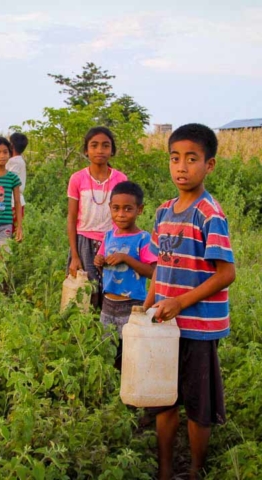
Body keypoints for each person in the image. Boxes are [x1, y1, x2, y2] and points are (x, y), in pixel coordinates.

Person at [144, 124, 236, 480]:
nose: (182, 167)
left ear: (209, 165)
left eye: (192, 159)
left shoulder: (208, 213)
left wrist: (180, 303)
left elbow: (226, 273)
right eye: (175, 158)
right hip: (164, 327)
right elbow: (159, 266)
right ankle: (166, 471)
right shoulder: (163, 212)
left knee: (198, 408)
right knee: (164, 400)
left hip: (197, 329)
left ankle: (196, 471)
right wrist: (148, 303)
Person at [93, 181, 157, 368]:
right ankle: (111, 388)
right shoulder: (109, 236)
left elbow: (153, 272)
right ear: (110, 208)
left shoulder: (143, 239)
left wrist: (126, 258)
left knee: (130, 351)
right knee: (107, 349)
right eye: (116, 208)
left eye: (128, 209)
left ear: (140, 210)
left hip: (132, 305)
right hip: (108, 304)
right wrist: (100, 262)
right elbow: (105, 266)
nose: (121, 214)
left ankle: (128, 388)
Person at [67, 126, 128, 309]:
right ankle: (84, 335)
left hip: (112, 243)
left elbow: (126, 216)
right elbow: (71, 218)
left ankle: (108, 333)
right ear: (86, 150)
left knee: (111, 291)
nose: (100, 150)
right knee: (85, 294)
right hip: (84, 242)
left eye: (105, 146)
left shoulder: (120, 179)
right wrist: (75, 256)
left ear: (112, 150)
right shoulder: (77, 179)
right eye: (94, 145)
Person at [7, 132, 28, 232]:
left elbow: (9, 180)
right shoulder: (19, 160)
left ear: (11, 145)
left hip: (12, 201)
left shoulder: (14, 162)